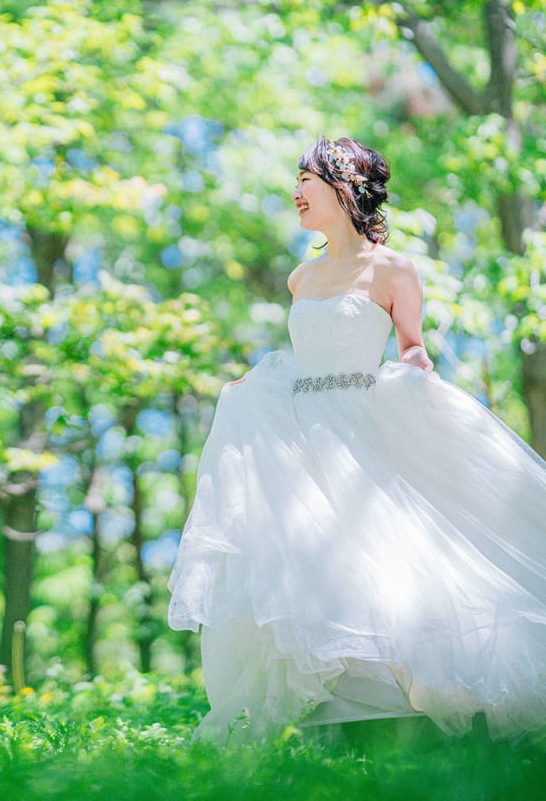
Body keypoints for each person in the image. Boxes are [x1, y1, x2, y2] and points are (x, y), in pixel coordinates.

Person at [167, 136, 546, 745]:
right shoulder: (301, 276)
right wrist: (253, 386)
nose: (295, 192)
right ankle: (342, 727)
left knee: (388, 563)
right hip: (303, 436)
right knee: (317, 572)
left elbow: (410, 343)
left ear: (343, 186)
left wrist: (418, 369)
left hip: (367, 427)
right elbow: (302, 355)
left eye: (305, 180)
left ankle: (410, 721)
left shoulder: (391, 269)